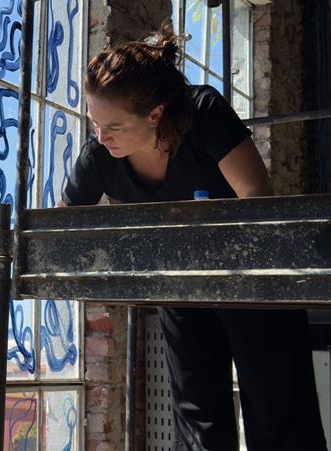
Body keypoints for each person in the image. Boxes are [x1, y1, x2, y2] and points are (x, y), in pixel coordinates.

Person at [59, 26, 327, 451]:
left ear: (155, 114)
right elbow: (60, 231)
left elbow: (257, 199)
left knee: (278, 414)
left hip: (255, 280)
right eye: (94, 122)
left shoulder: (203, 113)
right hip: (181, 288)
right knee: (199, 422)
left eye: (113, 126)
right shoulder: (100, 156)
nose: (101, 136)